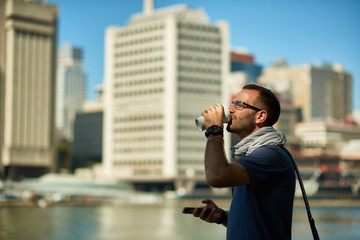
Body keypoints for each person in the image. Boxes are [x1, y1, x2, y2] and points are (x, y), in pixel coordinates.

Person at [183, 84, 296, 239]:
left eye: (239, 105)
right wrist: (222, 217)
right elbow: (257, 222)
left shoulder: (270, 154)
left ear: (260, 116)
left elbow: (216, 176)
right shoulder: (249, 154)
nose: (230, 109)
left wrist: (214, 130)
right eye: (231, 103)